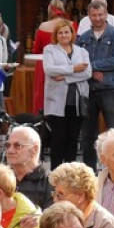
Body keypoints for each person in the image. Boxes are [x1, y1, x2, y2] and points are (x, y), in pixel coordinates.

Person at [78, 0, 114, 169]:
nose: (97, 18)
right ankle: (89, 170)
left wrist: (92, 66)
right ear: (89, 16)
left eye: (100, 15)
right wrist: (91, 70)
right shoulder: (82, 38)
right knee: (88, 134)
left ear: (106, 14)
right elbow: (79, 60)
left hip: (110, 89)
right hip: (88, 89)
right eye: (93, 15)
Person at [42, 18, 91, 166]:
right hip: (57, 102)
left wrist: (66, 77)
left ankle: (70, 169)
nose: (64, 35)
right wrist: (73, 69)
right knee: (59, 138)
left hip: (76, 101)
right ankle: (56, 171)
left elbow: (88, 72)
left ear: (72, 34)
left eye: (66, 32)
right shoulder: (49, 50)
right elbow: (49, 69)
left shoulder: (82, 51)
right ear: (56, 35)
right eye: (60, 33)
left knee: (73, 138)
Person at [48, 162, 114, 228]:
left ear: (81, 197)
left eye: (60, 195)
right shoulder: (58, 218)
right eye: (54, 194)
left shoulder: (108, 227)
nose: (55, 200)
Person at [31, 0, 69, 113]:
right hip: (65, 64)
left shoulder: (43, 26)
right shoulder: (71, 25)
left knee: (43, 96)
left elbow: (36, 50)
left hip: (45, 65)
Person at [6, 125, 52, 210]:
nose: (10, 150)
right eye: (8, 145)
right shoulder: (1, 178)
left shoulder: (50, 182)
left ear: (34, 149)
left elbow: (52, 219)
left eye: (17, 145)